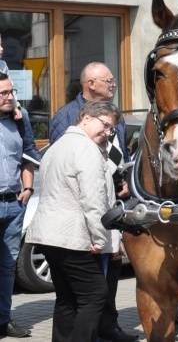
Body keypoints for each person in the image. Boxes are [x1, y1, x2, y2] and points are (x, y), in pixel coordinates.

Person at [49, 63, 138, 342]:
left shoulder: (110, 116)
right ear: (90, 83)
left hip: (110, 203)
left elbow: (117, 158)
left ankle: (107, 327)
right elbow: (85, 191)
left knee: (96, 287)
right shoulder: (69, 122)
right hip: (84, 223)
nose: (113, 84)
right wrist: (102, 239)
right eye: (107, 80)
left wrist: (120, 182)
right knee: (91, 293)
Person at [27, 101, 121, 341]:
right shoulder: (86, 149)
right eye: (106, 125)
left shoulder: (57, 146)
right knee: (95, 294)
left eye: (112, 129)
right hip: (71, 236)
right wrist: (101, 240)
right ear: (87, 117)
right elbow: (94, 201)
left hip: (47, 234)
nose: (108, 132)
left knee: (67, 298)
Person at [0, 73, 38, 338]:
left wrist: (28, 188)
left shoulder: (19, 118)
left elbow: (29, 155)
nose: (11, 97)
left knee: (7, 266)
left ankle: (4, 319)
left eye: (11, 92)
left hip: (14, 204)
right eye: (4, 93)